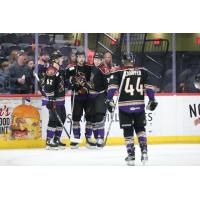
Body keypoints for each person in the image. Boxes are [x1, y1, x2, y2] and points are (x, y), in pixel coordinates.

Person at [106, 52, 158, 166]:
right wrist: (152, 99)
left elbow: (111, 88)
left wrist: (109, 100)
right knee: (140, 129)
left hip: (125, 107)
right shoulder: (143, 71)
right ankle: (144, 151)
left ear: (123, 61)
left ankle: (131, 154)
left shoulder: (118, 73)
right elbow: (149, 88)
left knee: (128, 131)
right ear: (133, 60)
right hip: (139, 106)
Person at [65, 51, 92, 149]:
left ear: (85, 58)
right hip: (76, 97)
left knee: (89, 117)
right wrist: (71, 83)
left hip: (87, 96)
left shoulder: (89, 68)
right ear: (76, 58)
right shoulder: (72, 68)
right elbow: (66, 78)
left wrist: (88, 85)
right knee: (76, 118)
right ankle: (76, 138)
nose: (81, 59)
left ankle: (88, 138)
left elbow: (92, 80)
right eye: (79, 57)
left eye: (82, 57)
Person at [43, 50, 66, 150]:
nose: (62, 60)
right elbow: (48, 87)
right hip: (54, 100)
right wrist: (51, 100)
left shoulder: (60, 70)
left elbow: (62, 84)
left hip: (61, 100)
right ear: (55, 60)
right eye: (60, 58)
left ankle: (56, 139)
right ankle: (49, 141)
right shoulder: (51, 70)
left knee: (62, 118)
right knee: (53, 119)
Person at [88, 52, 109, 148]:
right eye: (95, 59)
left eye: (98, 60)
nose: (96, 61)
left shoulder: (104, 70)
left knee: (99, 117)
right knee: (93, 118)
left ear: (102, 60)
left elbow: (108, 85)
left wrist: (109, 98)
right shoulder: (92, 68)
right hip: (91, 97)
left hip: (100, 96)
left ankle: (101, 137)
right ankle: (96, 137)